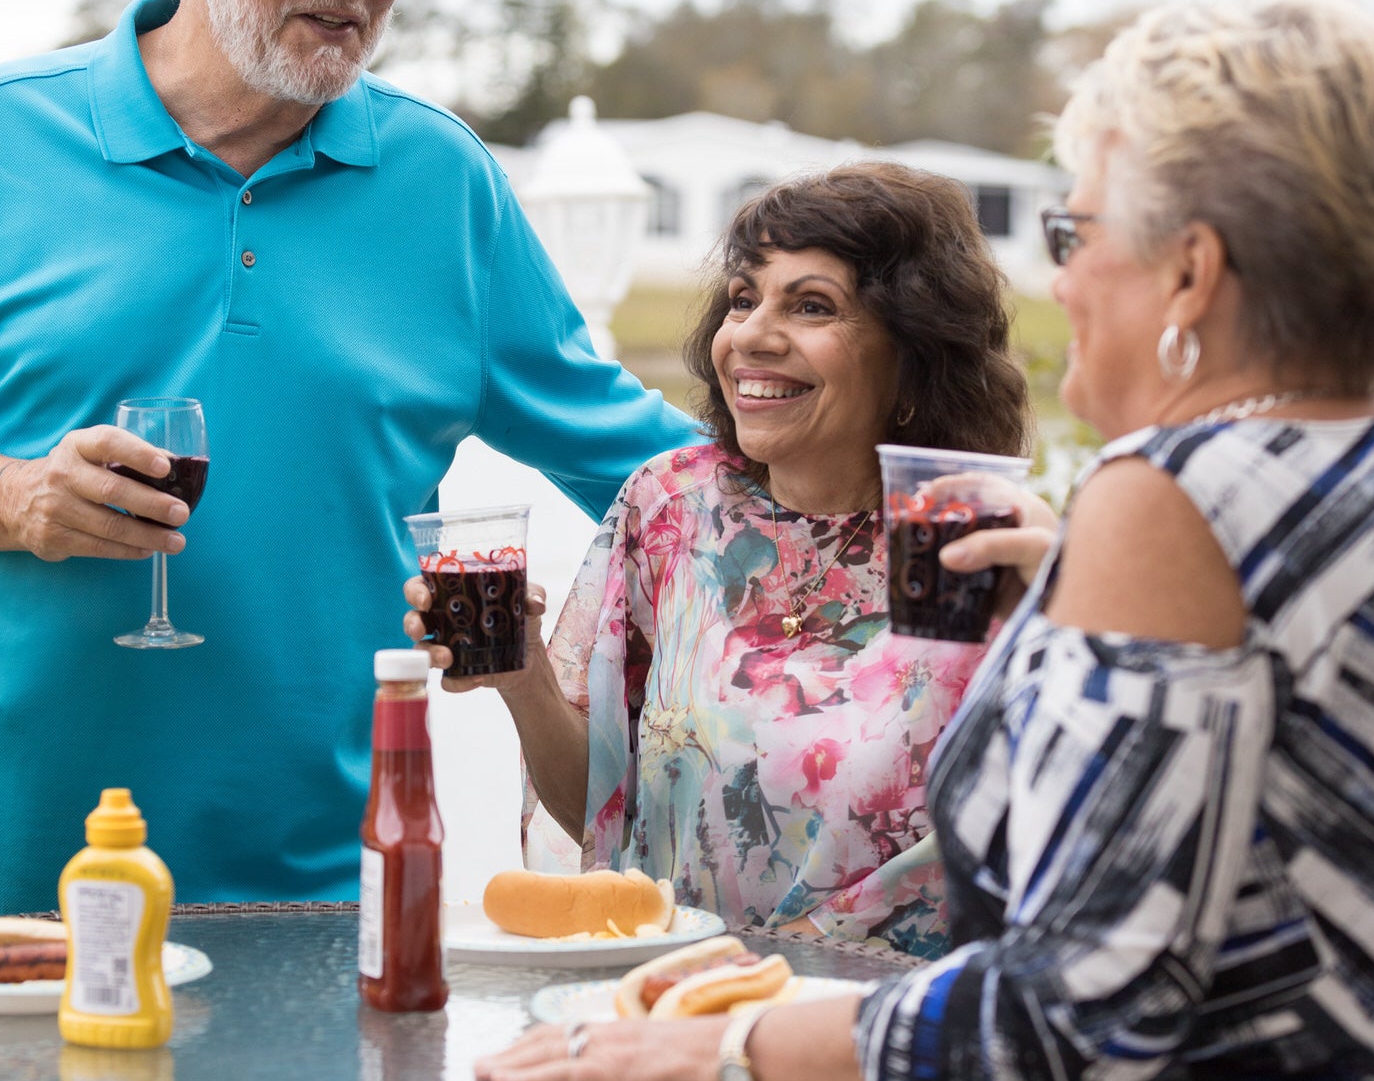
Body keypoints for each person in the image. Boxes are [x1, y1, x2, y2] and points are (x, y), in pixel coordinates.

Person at [476, 0, 1374, 1081]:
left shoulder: (1166, 502)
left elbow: (1079, 1004)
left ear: (1191, 271)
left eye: (1074, 234)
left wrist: (718, 1050)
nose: (1059, 277)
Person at [0, 0, 695, 916]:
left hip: (329, 898)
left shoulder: (440, 182)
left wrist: (874, 527)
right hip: (1, 884)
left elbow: (648, 473)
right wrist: (4, 495)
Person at [405, 162, 1035, 955]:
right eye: (742, 299)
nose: (751, 336)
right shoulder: (670, 509)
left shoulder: (967, 542)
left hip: (865, 1037)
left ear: (913, 354)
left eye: (812, 306)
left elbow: (1004, 848)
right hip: (670, 1012)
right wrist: (524, 673)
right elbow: (606, 817)